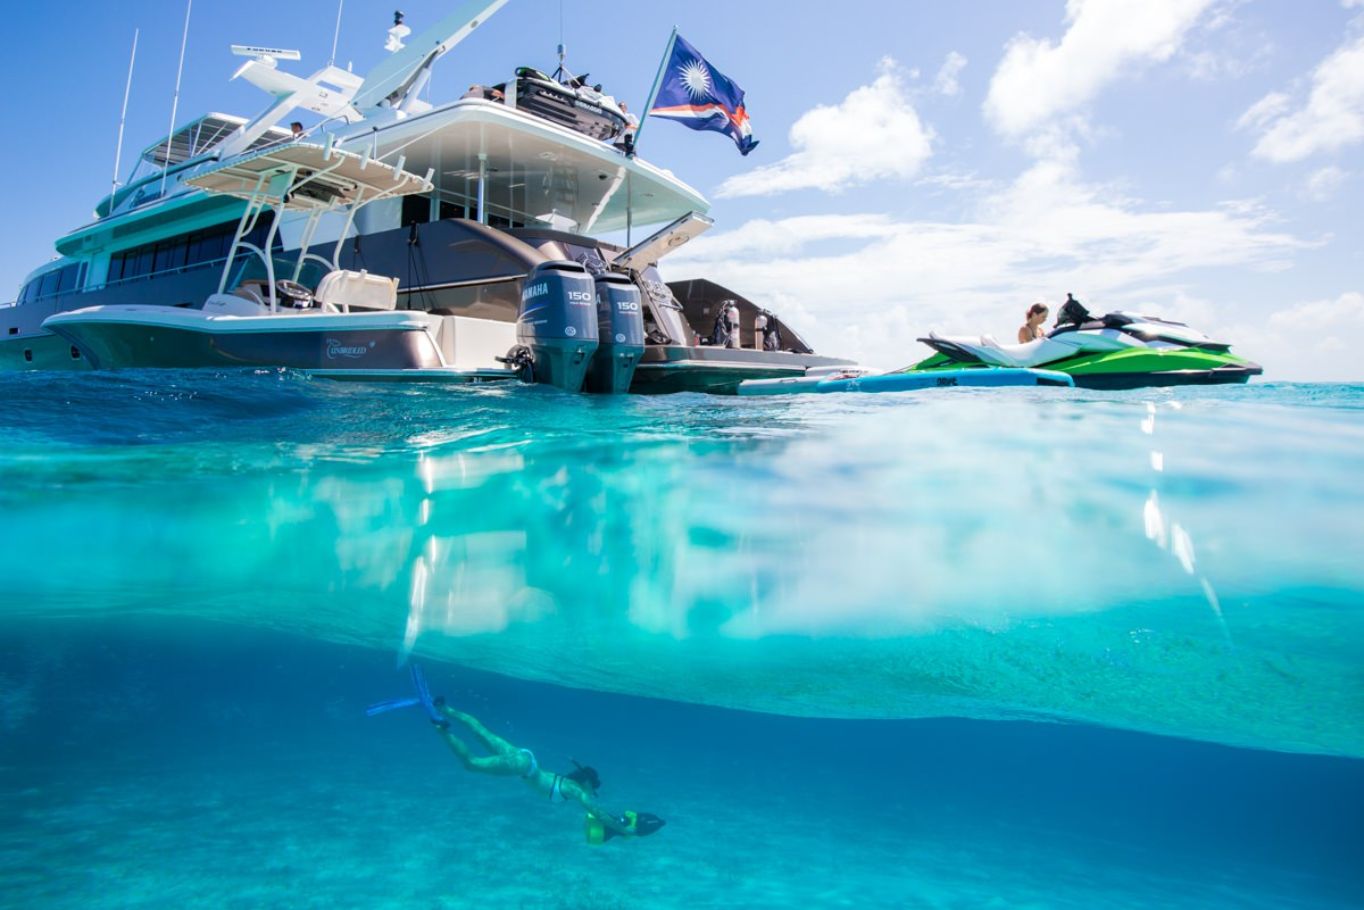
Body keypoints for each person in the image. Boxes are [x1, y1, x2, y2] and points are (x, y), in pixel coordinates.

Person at [369, 666, 666, 845]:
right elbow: (596, 812)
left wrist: (618, 823)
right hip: (523, 766)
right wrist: (625, 830)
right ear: (587, 783)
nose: (593, 791)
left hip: (527, 758)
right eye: (594, 786)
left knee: (481, 731)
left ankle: (445, 708)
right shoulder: (575, 789)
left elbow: (595, 811)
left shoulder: (568, 781)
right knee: (471, 764)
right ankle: (441, 725)